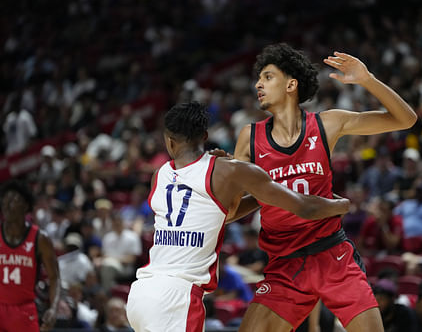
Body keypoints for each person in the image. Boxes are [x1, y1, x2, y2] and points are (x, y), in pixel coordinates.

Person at [233, 43, 416, 331]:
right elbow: (229, 210)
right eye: (259, 78)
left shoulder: (327, 124)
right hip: (284, 265)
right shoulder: (249, 136)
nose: (258, 83)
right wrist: (259, 192)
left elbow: (406, 119)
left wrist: (367, 80)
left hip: (333, 256)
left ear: (291, 84)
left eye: (268, 77)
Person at [125, 101, 350, 332]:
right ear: (205, 135)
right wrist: (342, 205)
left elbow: (213, 215)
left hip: (141, 293)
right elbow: (306, 208)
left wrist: (258, 197)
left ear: (169, 141)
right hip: (177, 298)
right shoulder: (229, 170)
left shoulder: (159, 175)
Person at [0, 180, 61, 332]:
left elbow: (54, 278)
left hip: (24, 310)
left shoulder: (40, 239)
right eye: (5, 201)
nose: (7, 206)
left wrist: (53, 308)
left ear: (26, 206)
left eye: (13, 201)